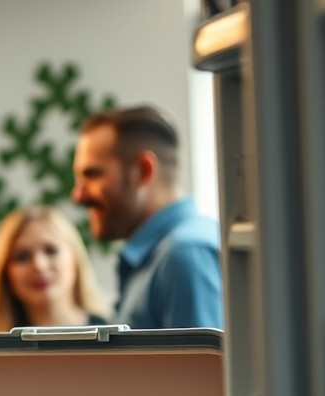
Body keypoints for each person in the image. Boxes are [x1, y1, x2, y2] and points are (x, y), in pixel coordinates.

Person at [71, 105, 224, 329]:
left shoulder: (184, 255)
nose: (78, 195)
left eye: (92, 174)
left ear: (143, 171)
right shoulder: (162, 255)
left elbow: (201, 355)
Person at [0, 204, 110, 332]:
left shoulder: (114, 336)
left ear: (75, 258)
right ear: (5, 274)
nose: (39, 266)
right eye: (22, 257)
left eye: (51, 251)